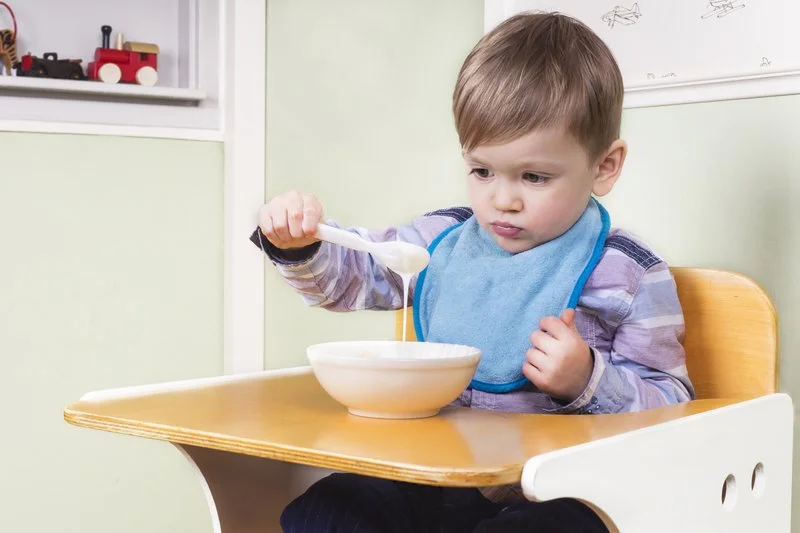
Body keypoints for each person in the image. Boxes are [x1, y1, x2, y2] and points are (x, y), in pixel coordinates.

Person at [252, 11, 695, 533]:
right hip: (435, 477)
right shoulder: (439, 242)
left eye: (534, 176)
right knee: (321, 512)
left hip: (554, 490)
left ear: (605, 166)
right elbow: (354, 275)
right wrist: (300, 244)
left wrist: (586, 380)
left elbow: (673, 411)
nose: (501, 200)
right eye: (482, 171)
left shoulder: (629, 274)